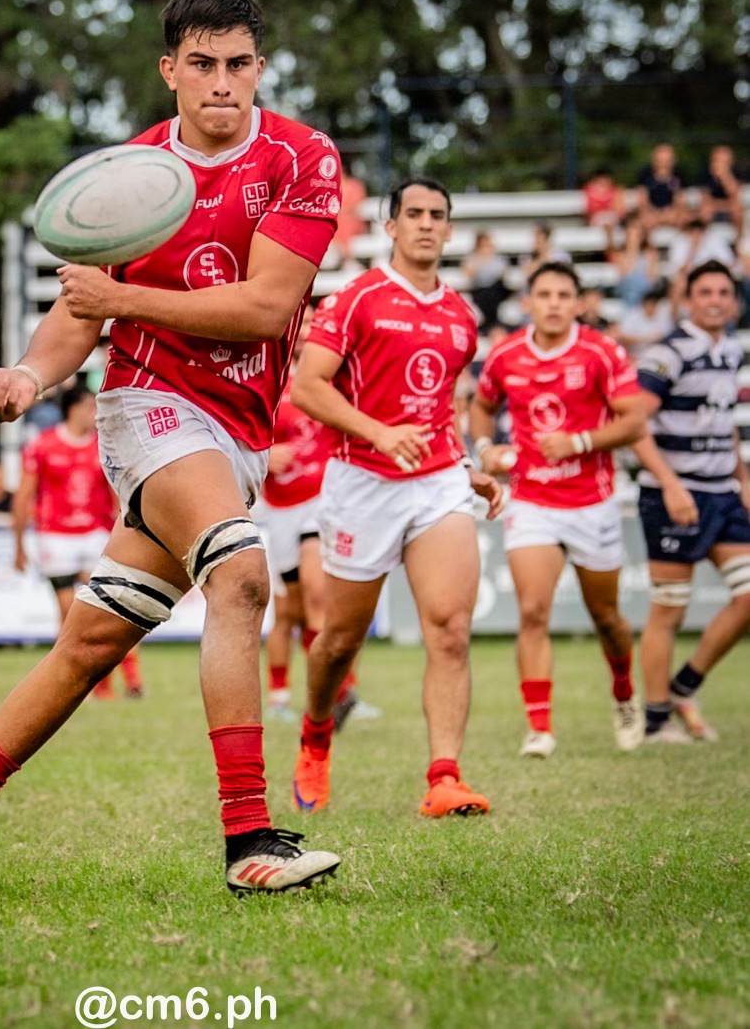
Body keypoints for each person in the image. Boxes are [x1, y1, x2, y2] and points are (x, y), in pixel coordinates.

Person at [0, 0, 342, 904]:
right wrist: (29, 377)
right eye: (200, 65)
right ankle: (248, 836)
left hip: (236, 431)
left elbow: (265, 307)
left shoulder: (301, 157)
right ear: (169, 71)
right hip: (147, 407)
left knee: (88, 646)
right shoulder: (128, 178)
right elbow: (77, 317)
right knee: (242, 574)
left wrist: (117, 299)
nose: (221, 83)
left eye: (238, 65)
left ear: (260, 69)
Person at [288, 178, 504, 820]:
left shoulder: (461, 317)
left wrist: (466, 465)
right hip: (363, 481)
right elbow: (308, 387)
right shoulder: (356, 299)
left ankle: (444, 778)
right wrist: (381, 432)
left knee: (451, 629)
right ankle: (317, 734)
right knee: (339, 641)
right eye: (414, 214)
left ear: (450, 228)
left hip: (436, 481)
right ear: (391, 226)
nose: (427, 225)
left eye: (439, 215)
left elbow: (445, 410)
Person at [470, 262, 648, 758]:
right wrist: (486, 448)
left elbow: (634, 420)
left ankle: (623, 694)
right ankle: (540, 729)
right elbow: (481, 406)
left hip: (593, 501)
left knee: (607, 617)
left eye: (563, 295)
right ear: (527, 303)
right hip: (532, 500)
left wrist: (580, 440)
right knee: (532, 611)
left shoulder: (600, 351)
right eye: (543, 294)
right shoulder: (505, 354)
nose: (553, 303)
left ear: (578, 302)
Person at [631, 261, 750, 743]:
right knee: (669, 609)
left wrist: (743, 478)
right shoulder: (668, 354)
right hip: (673, 497)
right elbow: (633, 426)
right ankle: (657, 718)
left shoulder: (732, 351)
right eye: (705, 292)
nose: (716, 300)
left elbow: (724, 424)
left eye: (724, 291)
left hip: (722, 493)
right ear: (689, 298)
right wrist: (671, 485)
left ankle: (685, 686)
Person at [260, 305, 376, 725]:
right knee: (290, 611)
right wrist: (263, 453)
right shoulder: (265, 379)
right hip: (280, 509)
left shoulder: (337, 378)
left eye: (314, 323)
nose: (308, 330)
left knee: (322, 593)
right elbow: (237, 434)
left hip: (325, 499)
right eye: (301, 323)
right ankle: (279, 697)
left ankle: (341, 693)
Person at [11, 383, 142, 698]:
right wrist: (18, 544)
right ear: (73, 409)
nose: (94, 414)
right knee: (69, 612)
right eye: (89, 407)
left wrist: (127, 525)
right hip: (55, 537)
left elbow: (115, 494)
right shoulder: (42, 446)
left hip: (95, 534)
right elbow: (24, 495)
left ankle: (130, 678)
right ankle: (91, 683)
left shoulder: (102, 445)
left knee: (113, 607)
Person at [460, 230, 511, 328]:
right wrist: (481, 260)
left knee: (494, 291)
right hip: (478, 291)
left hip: (495, 291)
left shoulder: (498, 259)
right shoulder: (472, 259)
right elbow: (469, 275)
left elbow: (504, 274)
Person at [634, 142, 687, 236]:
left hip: (672, 213)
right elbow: (642, 201)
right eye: (661, 160)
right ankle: (651, 249)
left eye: (667, 160)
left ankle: (682, 249)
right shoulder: (645, 175)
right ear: (654, 160)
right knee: (641, 223)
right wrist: (655, 214)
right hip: (651, 213)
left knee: (685, 219)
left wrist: (670, 213)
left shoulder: (679, 175)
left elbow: (680, 201)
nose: (664, 164)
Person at [616, 281, 674, 357]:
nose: (650, 308)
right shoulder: (633, 316)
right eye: (648, 304)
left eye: (653, 305)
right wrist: (648, 339)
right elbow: (622, 338)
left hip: (658, 356)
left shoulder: (663, 316)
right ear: (643, 304)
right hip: (636, 355)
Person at [697, 144, 743, 236]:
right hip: (712, 208)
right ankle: (704, 240)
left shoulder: (736, 173)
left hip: (729, 208)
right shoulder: (706, 175)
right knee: (705, 210)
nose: (721, 165)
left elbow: (735, 194)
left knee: (738, 210)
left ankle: (738, 241)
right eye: (718, 161)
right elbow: (705, 198)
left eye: (724, 162)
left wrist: (725, 177)